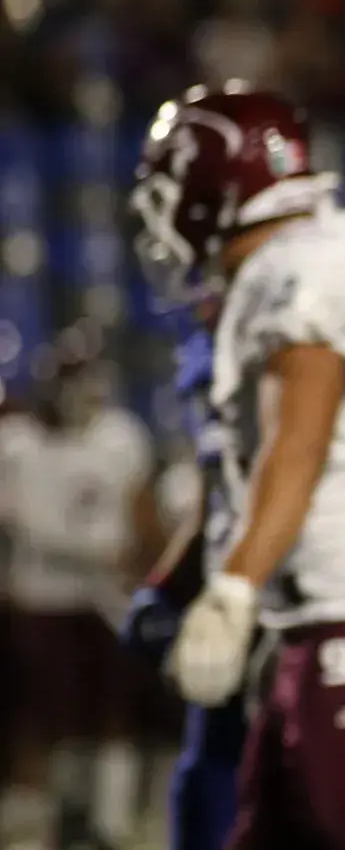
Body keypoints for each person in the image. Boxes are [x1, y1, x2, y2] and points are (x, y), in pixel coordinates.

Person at [128, 83, 345, 849]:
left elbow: (299, 442)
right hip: (332, 620)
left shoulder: (300, 271)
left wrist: (232, 590)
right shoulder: (342, 242)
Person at [1, 328, 153, 848]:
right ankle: (47, 814)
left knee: (110, 712)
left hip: (105, 598)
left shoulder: (119, 437)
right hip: (41, 597)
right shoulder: (19, 443)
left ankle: (108, 819)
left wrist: (138, 574)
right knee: (42, 717)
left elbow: (141, 518)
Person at [122, 310, 251, 850]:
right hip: (241, 602)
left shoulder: (285, 351)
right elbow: (215, 511)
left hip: (292, 613)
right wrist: (165, 586)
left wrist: (236, 590)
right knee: (202, 795)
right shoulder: (218, 372)